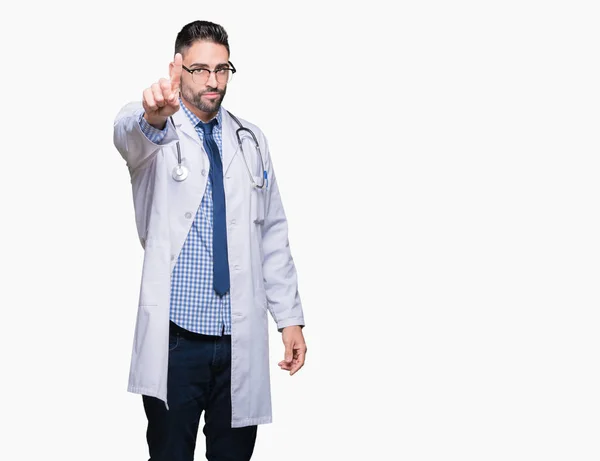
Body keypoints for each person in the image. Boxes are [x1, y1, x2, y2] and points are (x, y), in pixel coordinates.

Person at [113, 20, 307, 461]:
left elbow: (272, 232)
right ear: (177, 68)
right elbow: (128, 135)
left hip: (237, 337)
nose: (213, 81)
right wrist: (150, 116)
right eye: (200, 69)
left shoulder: (251, 139)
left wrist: (289, 318)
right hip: (177, 341)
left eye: (222, 69)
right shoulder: (155, 131)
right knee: (169, 454)